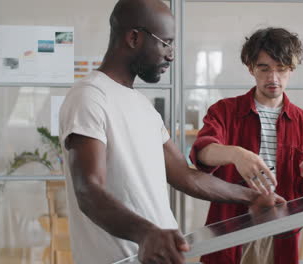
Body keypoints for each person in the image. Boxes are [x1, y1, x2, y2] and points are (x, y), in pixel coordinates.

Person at [58, 1, 284, 263]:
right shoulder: (89, 97)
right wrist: (145, 234)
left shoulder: (142, 106)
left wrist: (253, 197)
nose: (171, 54)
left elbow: (186, 176)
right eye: (165, 43)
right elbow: (88, 190)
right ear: (133, 37)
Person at [189, 27, 303, 264]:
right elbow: (202, 152)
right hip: (231, 226)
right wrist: (236, 154)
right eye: (264, 68)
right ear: (251, 68)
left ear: (291, 70)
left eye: (281, 69)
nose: (273, 78)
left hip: (281, 231)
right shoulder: (225, 111)